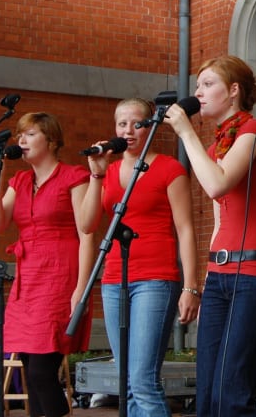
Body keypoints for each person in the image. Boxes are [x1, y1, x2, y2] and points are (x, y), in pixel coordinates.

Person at [164, 55, 256, 417]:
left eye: (207, 84)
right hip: (220, 276)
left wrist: (186, 132)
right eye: (198, 85)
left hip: (253, 275)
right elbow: (218, 220)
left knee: (233, 395)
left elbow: (217, 185)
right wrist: (200, 282)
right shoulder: (217, 147)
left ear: (233, 91)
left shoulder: (254, 131)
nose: (198, 92)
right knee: (209, 397)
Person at [79, 98, 199, 417]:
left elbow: (185, 229)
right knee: (127, 383)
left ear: (151, 127)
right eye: (121, 124)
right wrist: (96, 175)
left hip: (156, 279)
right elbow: (88, 225)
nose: (128, 130)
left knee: (143, 380)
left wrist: (191, 286)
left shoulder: (170, 169)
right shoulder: (111, 170)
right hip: (115, 278)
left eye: (136, 123)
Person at [0, 112, 94, 417]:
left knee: (42, 372)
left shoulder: (73, 177)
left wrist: (81, 290)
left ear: (52, 140)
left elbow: (87, 235)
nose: (21, 140)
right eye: (20, 135)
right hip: (28, 278)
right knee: (29, 367)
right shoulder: (19, 180)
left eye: (30, 134)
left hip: (60, 276)